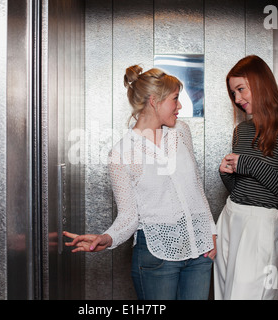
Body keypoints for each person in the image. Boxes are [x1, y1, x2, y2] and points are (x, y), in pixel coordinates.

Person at [64, 65, 217, 300]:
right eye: (175, 99)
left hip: (200, 252)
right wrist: (107, 238)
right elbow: (129, 216)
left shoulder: (182, 131)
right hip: (158, 258)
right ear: (154, 100)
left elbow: (196, 188)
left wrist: (211, 233)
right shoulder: (122, 153)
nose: (180, 106)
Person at [214, 55, 278, 300]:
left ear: (260, 83)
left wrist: (248, 164)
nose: (237, 99)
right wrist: (227, 176)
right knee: (225, 294)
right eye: (233, 93)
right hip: (231, 216)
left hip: (262, 224)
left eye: (241, 89)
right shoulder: (241, 130)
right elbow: (241, 188)